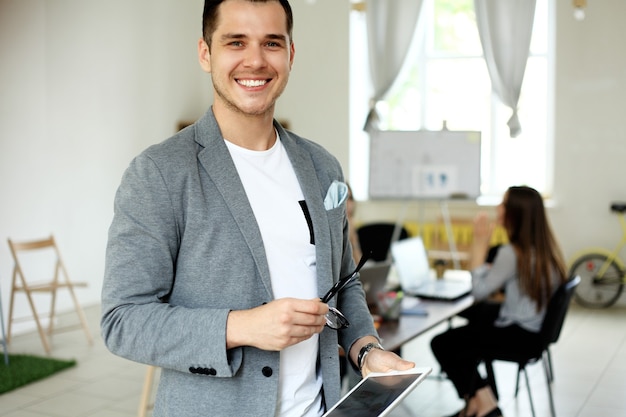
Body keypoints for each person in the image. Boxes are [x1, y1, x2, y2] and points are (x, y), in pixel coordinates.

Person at [100, 1, 414, 416]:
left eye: (271, 43)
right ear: (205, 53)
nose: (255, 60)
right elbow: (123, 321)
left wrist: (365, 350)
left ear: (290, 54)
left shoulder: (322, 167)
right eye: (236, 42)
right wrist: (243, 326)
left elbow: (343, 282)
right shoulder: (160, 173)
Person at [430, 186, 567, 417]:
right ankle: (474, 404)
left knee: (444, 343)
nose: (497, 208)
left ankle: (485, 404)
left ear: (515, 214)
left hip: (519, 335)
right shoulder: (545, 250)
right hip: (536, 332)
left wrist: (479, 243)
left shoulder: (512, 253)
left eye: (503, 204)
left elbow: (478, 291)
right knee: (473, 319)